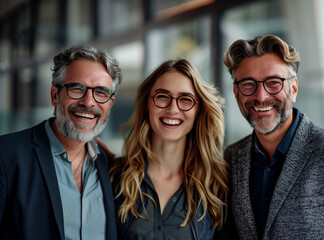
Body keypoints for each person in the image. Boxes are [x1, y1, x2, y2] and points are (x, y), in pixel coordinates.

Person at [223, 35, 324, 239]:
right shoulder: (232, 156)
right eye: (248, 84)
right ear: (236, 92)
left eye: (273, 82)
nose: (261, 96)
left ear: (293, 88)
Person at [0, 45, 121, 240]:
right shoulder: (5, 157)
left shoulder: (111, 167)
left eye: (101, 92)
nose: (89, 102)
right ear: (55, 95)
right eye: (77, 88)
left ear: (110, 103)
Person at [110, 59, 229, 239]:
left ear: (198, 111)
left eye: (185, 100)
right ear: (147, 104)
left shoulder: (217, 185)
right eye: (162, 96)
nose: (173, 109)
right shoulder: (115, 176)